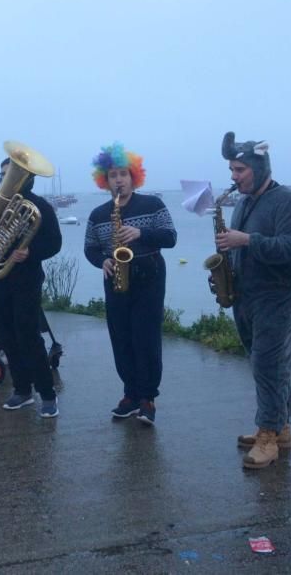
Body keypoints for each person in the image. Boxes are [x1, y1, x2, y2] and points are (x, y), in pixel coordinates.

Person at [214, 132, 291, 469]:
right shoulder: (242, 203)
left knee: (269, 363)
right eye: (232, 170)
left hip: (278, 295)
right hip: (246, 294)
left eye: (239, 170)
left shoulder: (288, 202)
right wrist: (224, 274)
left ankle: (268, 436)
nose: (234, 177)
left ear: (259, 167)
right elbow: (236, 247)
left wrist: (247, 240)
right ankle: (280, 426)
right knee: (264, 363)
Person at [0, 156, 62, 417]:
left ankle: (48, 395)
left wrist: (30, 252)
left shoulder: (41, 207)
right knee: (5, 335)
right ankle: (22, 390)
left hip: (26, 281)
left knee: (28, 336)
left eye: (12, 175)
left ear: (28, 179)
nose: (5, 180)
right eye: (2, 175)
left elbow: (54, 243)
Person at [84, 143, 177, 425]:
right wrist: (103, 261)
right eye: (113, 175)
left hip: (149, 275)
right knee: (121, 338)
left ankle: (148, 398)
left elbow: (171, 237)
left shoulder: (152, 204)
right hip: (116, 279)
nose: (119, 180)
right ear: (105, 180)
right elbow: (90, 248)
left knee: (146, 338)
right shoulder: (99, 214)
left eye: (124, 174)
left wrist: (141, 232)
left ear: (134, 176)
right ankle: (130, 394)